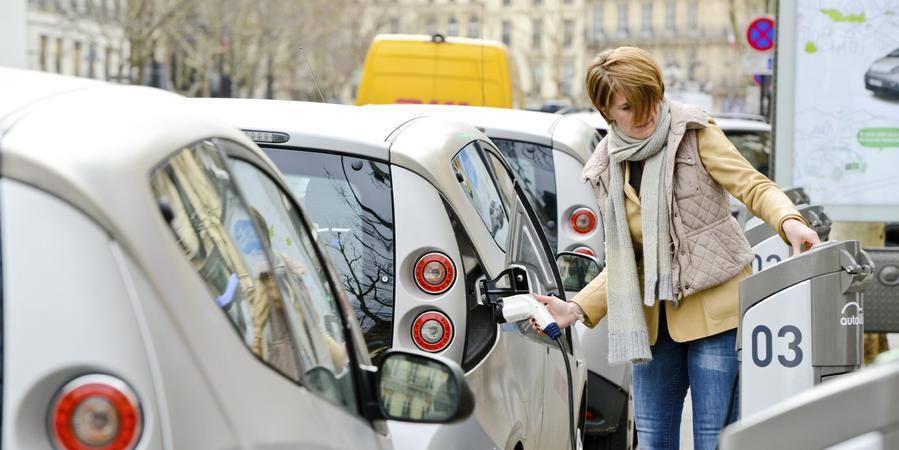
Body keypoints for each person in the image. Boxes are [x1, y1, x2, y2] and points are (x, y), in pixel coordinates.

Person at [534, 47, 821, 450]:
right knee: (652, 441)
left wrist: (790, 222)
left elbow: (753, 186)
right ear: (606, 112)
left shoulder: (693, 132)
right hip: (653, 322)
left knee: (714, 440)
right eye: (629, 107)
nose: (646, 113)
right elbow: (627, 260)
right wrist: (577, 308)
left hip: (716, 315)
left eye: (651, 98)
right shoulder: (605, 168)